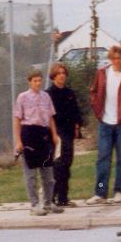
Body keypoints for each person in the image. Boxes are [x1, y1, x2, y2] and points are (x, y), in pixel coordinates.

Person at [87, 45, 121, 205]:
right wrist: (98, 110)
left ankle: (119, 191)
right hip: (105, 122)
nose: (117, 61)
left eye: (119, 58)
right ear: (110, 59)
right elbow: (93, 92)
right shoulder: (102, 74)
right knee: (103, 159)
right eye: (114, 58)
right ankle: (100, 193)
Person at [14, 69, 60, 215]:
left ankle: (48, 202)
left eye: (40, 80)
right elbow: (17, 119)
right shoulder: (22, 97)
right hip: (29, 134)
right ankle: (34, 204)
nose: (38, 83)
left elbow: (51, 117)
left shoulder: (46, 96)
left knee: (48, 173)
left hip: (44, 135)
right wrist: (18, 141)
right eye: (35, 81)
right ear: (29, 82)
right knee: (30, 174)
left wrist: (54, 134)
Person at [47, 62, 83, 207]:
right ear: (54, 76)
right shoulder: (49, 94)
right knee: (58, 165)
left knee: (67, 164)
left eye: (64, 73)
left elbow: (76, 112)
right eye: (59, 73)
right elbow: (49, 116)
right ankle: (52, 196)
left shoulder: (70, 93)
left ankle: (63, 197)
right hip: (56, 132)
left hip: (68, 132)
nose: (62, 76)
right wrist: (54, 133)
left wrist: (77, 127)